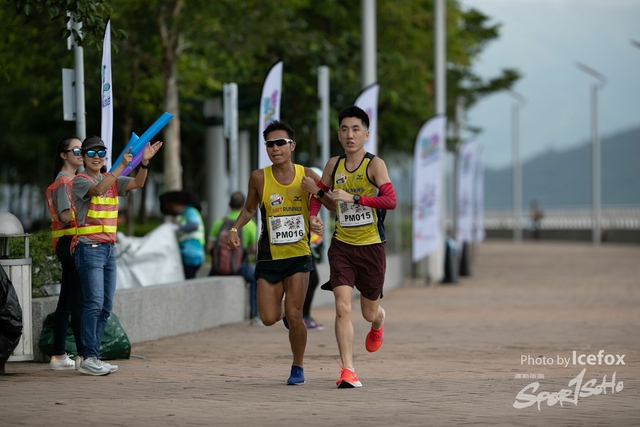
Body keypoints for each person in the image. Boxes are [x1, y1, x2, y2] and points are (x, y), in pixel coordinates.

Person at [301, 105, 397, 388]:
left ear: (366, 134)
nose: (350, 135)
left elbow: (390, 201)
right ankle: (348, 370)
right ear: (339, 135)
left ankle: (379, 322)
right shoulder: (334, 164)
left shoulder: (374, 165)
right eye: (344, 129)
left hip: (371, 247)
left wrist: (355, 199)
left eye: (356, 129)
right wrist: (313, 216)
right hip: (342, 246)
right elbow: (319, 192)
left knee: (368, 312)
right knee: (342, 308)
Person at [226, 120, 326, 385]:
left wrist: (316, 193)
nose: (275, 148)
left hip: (299, 255)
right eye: (270, 144)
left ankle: (298, 366)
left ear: (292, 145)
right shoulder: (259, 177)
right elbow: (249, 208)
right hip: (269, 255)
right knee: (269, 318)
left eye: (280, 143)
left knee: (295, 315)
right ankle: (287, 316)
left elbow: (328, 202)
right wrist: (235, 229)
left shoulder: (307, 175)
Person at [72, 135, 162, 376]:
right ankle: (88, 357)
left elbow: (138, 184)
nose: (97, 157)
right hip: (89, 249)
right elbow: (98, 189)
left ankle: (94, 355)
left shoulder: (111, 180)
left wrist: (144, 163)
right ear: (82, 158)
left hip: (109, 250)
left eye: (101, 153)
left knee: (105, 306)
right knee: (93, 303)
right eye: (91, 153)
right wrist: (122, 164)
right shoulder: (80, 181)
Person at [45, 136, 85, 370]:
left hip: (69, 243)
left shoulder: (71, 180)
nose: (82, 153)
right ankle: (83, 356)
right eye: (77, 149)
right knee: (78, 301)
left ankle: (59, 355)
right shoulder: (64, 182)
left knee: (68, 302)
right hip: (69, 244)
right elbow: (64, 216)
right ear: (63, 155)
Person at [207, 192, 259, 323]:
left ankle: (208, 311)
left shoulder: (219, 223)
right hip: (239, 267)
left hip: (218, 268)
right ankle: (254, 311)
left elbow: (209, 247)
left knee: (208, 279)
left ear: (229, 205)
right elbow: (254, 249)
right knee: (256, 279)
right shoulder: (250, 224)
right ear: (243, 205)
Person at [159, 191, 206, 279]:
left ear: (178, 203)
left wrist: (178, 228)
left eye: (172, 207)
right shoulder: (184, 215)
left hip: (191, 254)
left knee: (188, 280)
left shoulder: (190, 211)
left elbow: (193, 225)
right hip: (191, 254)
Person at [302, 231, 324, 331]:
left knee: (313, 281)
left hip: (310, 241)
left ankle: (305, 315)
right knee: (309, 282)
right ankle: (302, 316)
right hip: (303, 243)